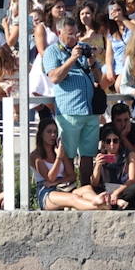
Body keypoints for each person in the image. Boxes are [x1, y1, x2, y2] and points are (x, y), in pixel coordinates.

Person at [43, 15, 101, 183]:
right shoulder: (52, 51)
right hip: (69, 111)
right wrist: (72, 59)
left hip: (90, 110)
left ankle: (85, 187)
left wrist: (92, 60)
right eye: (70, 34)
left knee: (88, 153)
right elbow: (54, 77)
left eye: (76, 34)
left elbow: (98, 78)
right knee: (67, 154)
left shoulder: (83, 47)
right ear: (59, 32)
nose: (74, 38)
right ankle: (69, 187)